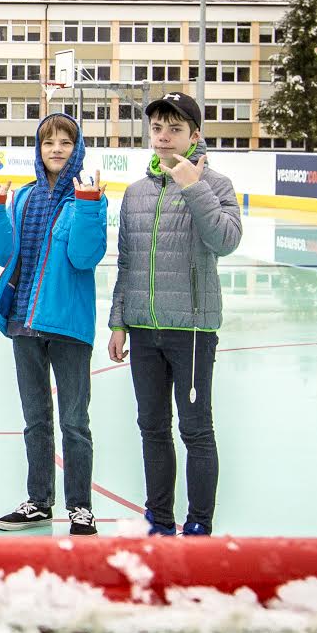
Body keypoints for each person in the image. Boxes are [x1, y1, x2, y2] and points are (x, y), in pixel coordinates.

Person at [108, 92, 241, 537]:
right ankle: (158, 518)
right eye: (158, 129)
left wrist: (193, 186)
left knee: (196, 430)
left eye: (175, 130)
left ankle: (200, 520)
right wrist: (118, 321)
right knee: (151, 427)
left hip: (193, 330)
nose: (164, 138)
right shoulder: (136, 192)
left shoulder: (216, 185)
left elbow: (225, 241)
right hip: (144, 330)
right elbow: (126, 260)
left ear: (195, 135)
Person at [0, 114, 108, 536]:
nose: (56, 149)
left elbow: (84, 258)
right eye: (48, 142)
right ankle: (38, 500)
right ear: (38, 149)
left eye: (65, 142)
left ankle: (80, 507)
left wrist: (89, 205)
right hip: (24, 323)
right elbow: (3, 255)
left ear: (78, 149)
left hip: (68, 324)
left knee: (74, 421)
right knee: (35, 419)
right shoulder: (24, 197)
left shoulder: (86, 197)